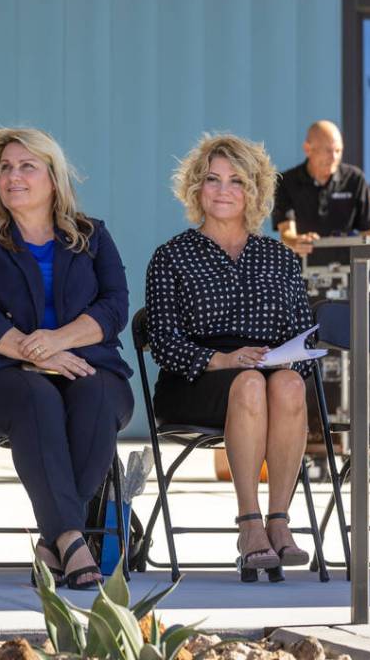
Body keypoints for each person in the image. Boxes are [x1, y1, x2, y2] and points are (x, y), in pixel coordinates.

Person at [0, 127, 133, 591]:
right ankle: (72, 537)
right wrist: (35, 351)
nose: (13, 177)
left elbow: (114, 307)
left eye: (26, 166)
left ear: (53, 178)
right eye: (5, 168)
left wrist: (57, 343)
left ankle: (54, 543)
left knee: (98, 394)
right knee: (36, 396)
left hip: (84, 366)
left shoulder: (92, 235)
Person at [146, 134, 314, 583]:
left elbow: (304, 336)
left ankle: (280, 518)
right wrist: (224, 360)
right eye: (212, 179)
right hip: (195, 378)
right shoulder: (172, 257)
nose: (223, 190)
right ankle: (249, 525)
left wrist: (283, 360)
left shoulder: (279, 257)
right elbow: (163, 341)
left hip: (268, 369)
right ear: (196, 189)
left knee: (290, 384)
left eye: (236, 181)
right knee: (250, 383)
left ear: (254, 191)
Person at [272, 120, 370, 256]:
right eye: (328, 151)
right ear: (307, 149)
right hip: (301, 270)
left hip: (349, 270)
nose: (334, 157)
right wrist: (297, 241)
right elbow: (286, 233)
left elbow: (368, 232)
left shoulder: (355, 179)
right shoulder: (286, 182)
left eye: (338, 151)